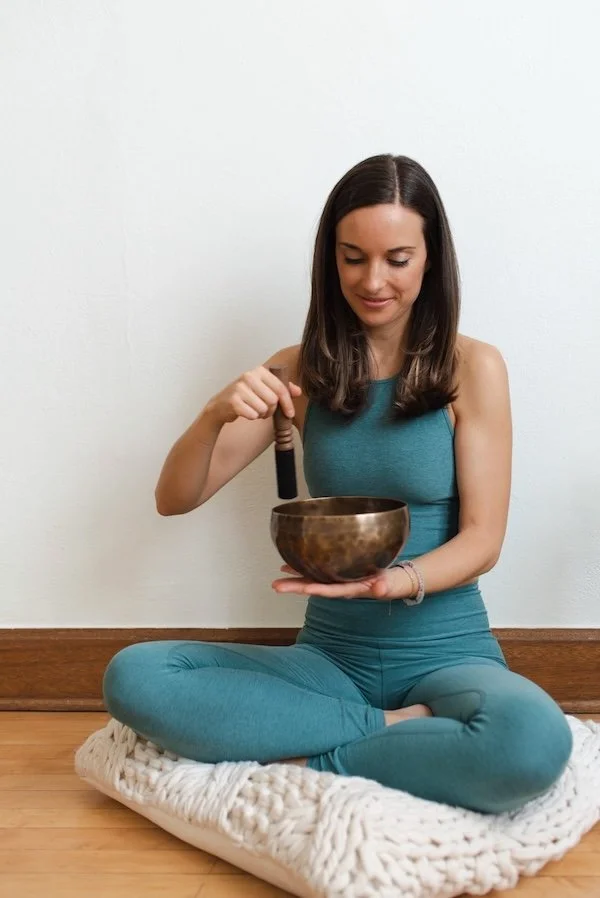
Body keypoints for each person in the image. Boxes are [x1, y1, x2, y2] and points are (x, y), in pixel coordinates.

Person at [103, 154, 572, 814]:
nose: (372, 280)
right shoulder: (298, 370)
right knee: (136, 675)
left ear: (431, 259)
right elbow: (173, 498)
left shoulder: (473, 366)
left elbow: (483, 540)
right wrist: (215, 413)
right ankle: (396, 734)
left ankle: (313, 758)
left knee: (529, 742)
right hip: (329, 660)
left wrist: (392, 582)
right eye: (353, 258)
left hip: (447, 655)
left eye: (397, 259)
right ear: (331, 259)